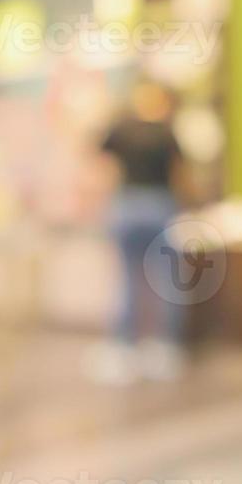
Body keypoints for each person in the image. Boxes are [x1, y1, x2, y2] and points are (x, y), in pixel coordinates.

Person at [93, 80, 187, 384]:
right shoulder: (166, 131)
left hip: (129, 206)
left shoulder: (123, 128)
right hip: (160, 205)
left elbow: (98, 152)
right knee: (165, 280)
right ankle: (164, 346)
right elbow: (181, 171)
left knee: (128, 279)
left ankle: (126, 346)